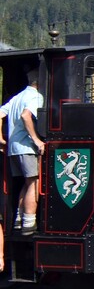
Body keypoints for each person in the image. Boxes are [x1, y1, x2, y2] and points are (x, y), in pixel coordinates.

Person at [0, 69, 46, 235]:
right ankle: (29, 223)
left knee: (27, 183)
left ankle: (19, 220)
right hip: (26, 147)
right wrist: (37, 140)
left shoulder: (17, 96)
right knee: (34, 183)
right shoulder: (35, 96)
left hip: (14, 148)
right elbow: (26, 115)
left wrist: (0, 137)